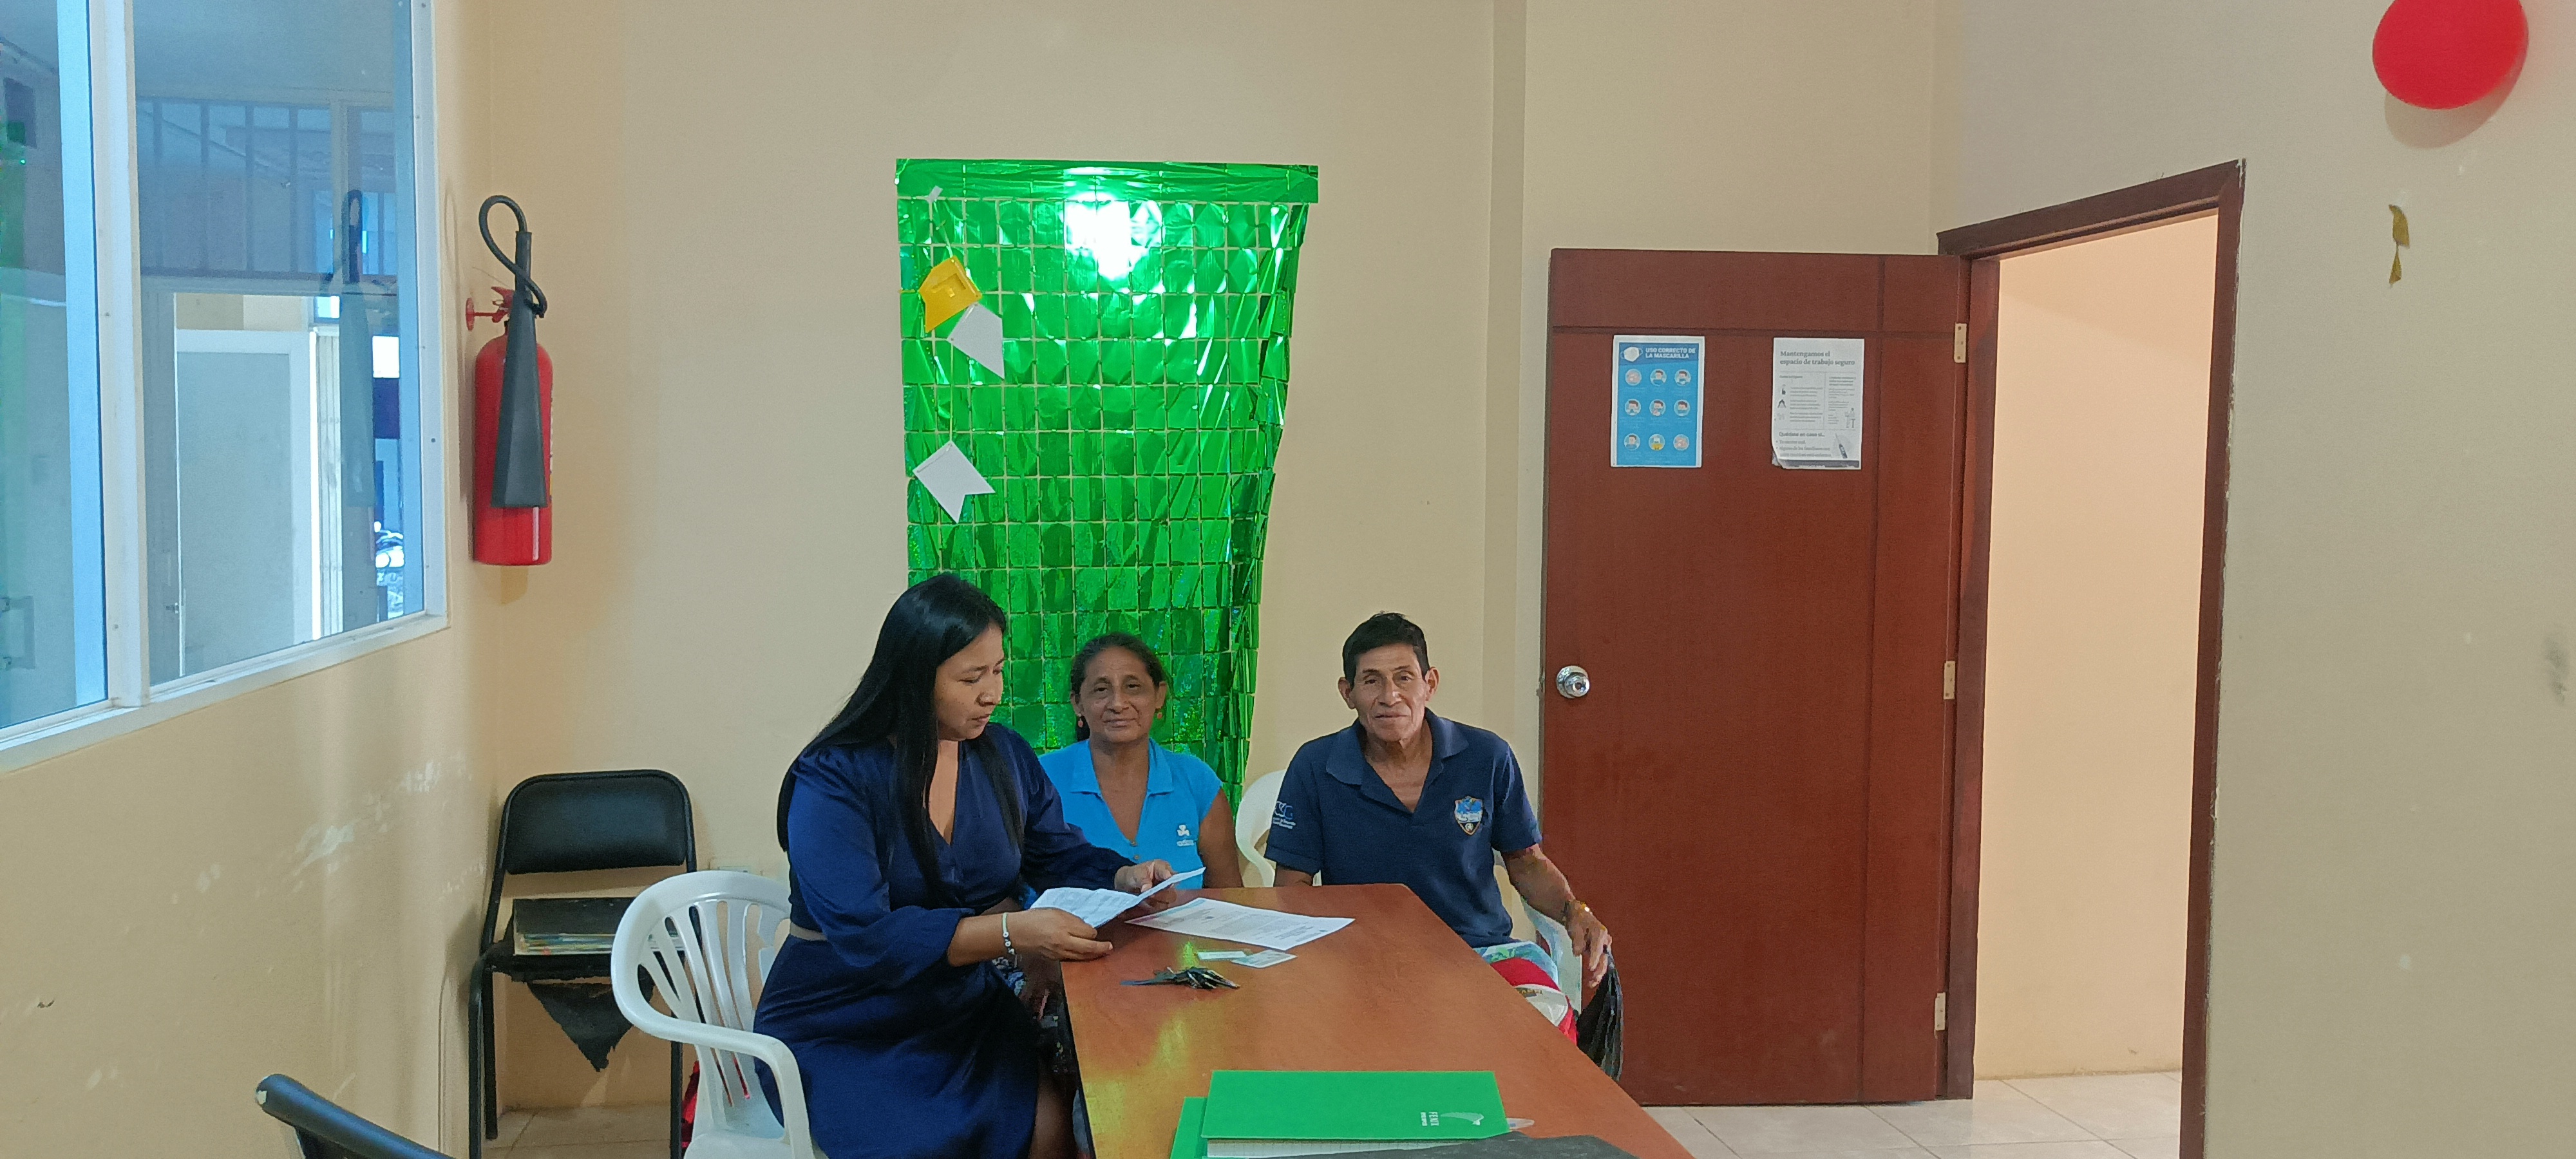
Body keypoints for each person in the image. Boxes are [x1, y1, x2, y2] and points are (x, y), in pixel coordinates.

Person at [754, 575, 1177, 1159]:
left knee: (1048, 1127)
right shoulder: (833, 777)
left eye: (998, 671)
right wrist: (1011, 933)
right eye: (971, 678)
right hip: (846, 1018)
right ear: (913, 676)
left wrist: (1121, 875)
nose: (992, 693)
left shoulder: (1003, 755)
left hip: (957, 1005)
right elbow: (865, 935)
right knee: (930, 1144)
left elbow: (1054, 852)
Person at [1265, 612, 1612, 1038]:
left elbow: (1526, 861)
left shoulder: (1486, 756)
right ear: (1347, 693)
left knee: (1544, 1033)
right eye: (1371, 681)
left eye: (1404, 678)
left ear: (1430, 683)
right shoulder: (1316, 766)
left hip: (1481, 953)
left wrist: (1576, 911)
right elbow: (1292, 886)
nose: (1390, 696)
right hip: (1361, 964)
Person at [1037, 632, 1245, 889]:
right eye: (1101, 690)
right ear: (1078, 703)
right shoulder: (1040, 778)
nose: (1118, 704)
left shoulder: (1197, 781)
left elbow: (1229, 897)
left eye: (1132, 687)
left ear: (1159, 695)